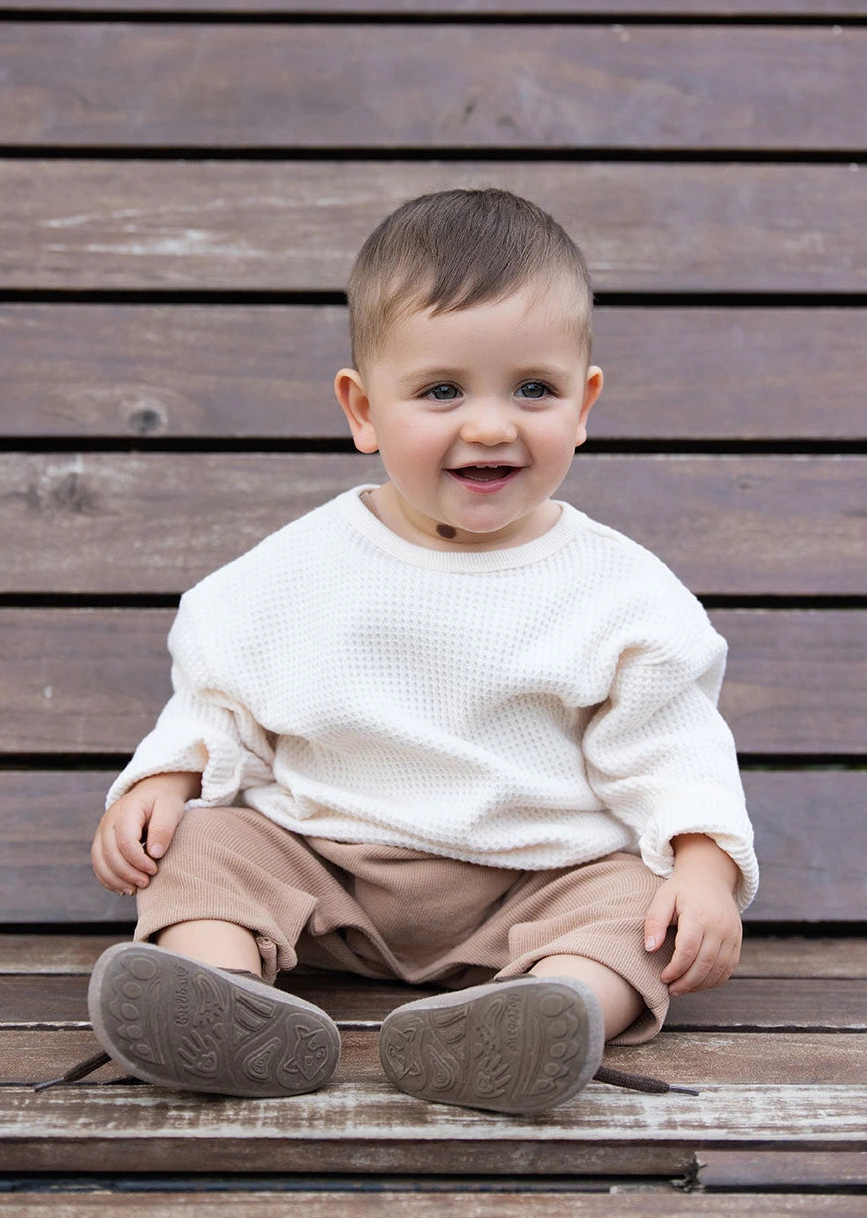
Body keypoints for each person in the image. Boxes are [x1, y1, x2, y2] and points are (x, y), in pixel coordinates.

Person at [71, 189, 758, 1114]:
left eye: (534, 389)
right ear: (364, 409)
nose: (489, 425)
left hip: (534, 883)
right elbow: (219, 694)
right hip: (327, 870)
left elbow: (674, 747)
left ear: (584, 403)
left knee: (635, 900)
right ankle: (222, 997)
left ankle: (542, 1015)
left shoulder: (622, 593)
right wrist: (168, 778)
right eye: (441, 391)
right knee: (207, 843)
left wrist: (705, 867)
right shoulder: (300, 566)